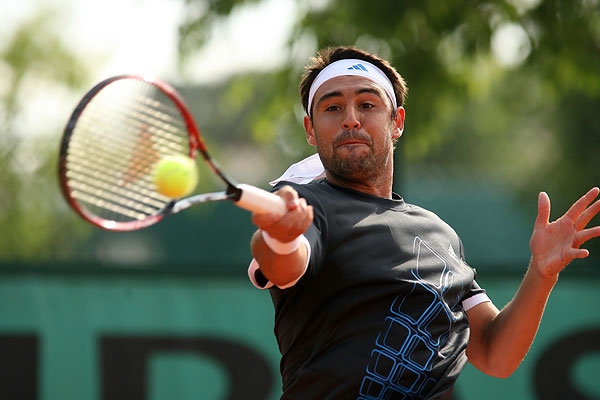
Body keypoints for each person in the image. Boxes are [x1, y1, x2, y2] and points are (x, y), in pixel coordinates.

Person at [247, 45, 600, 399]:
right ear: (310, 129)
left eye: (367, 105)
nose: (350, 119)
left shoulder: (440, 234)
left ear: (397, 122)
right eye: (332, 107)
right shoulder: (307, 204)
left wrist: (541, 273)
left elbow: (496, 354)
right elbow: (282, 264)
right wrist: (280, 237)